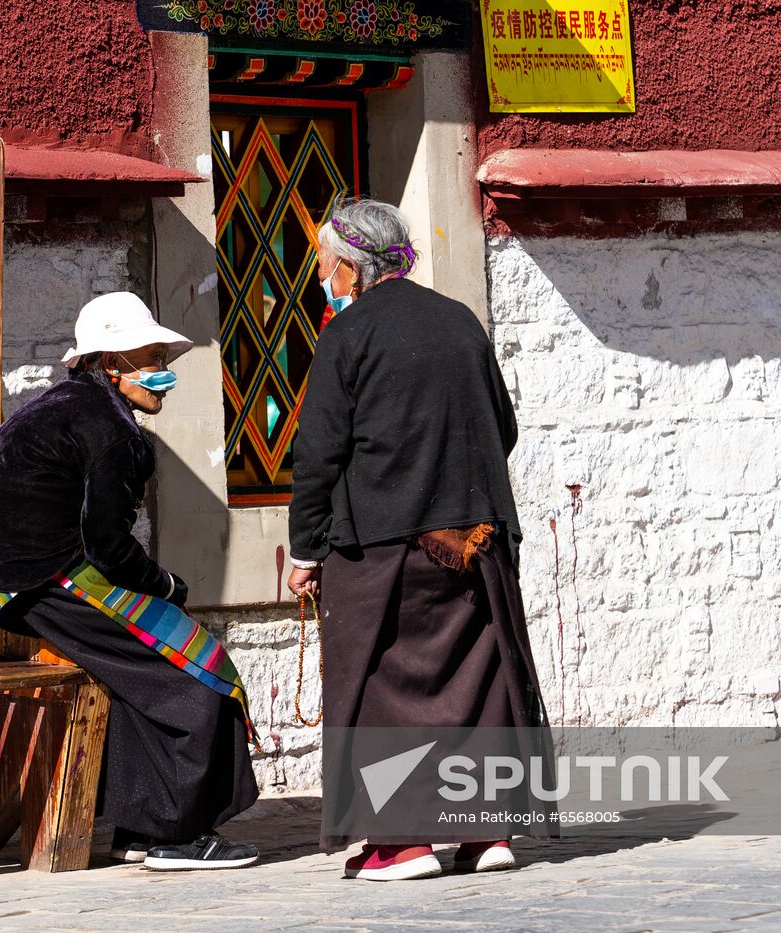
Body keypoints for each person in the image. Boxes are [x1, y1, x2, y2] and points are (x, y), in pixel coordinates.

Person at [287, 199, 552, 881]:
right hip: (476, 536)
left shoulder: (348, 337)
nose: (324, 278)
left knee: (381, 687)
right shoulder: (460, 322)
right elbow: (504, 427)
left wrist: (308, 547)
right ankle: (486, 832)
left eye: (325, 266)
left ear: (349, 268)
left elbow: (318, 453)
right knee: (474, 676)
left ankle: (401, 843)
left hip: (381, 545)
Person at [0, 291, 260, 871]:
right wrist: (167, 588)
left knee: (139, 673)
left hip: (6, 581)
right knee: (196, 670)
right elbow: (111, 550)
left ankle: (142, 827)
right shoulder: (110, 430)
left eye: (164, 360)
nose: (163, 374)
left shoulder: (72, 405)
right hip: (33, 581)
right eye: (149, 360)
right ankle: (180, 834)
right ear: (110, 365)